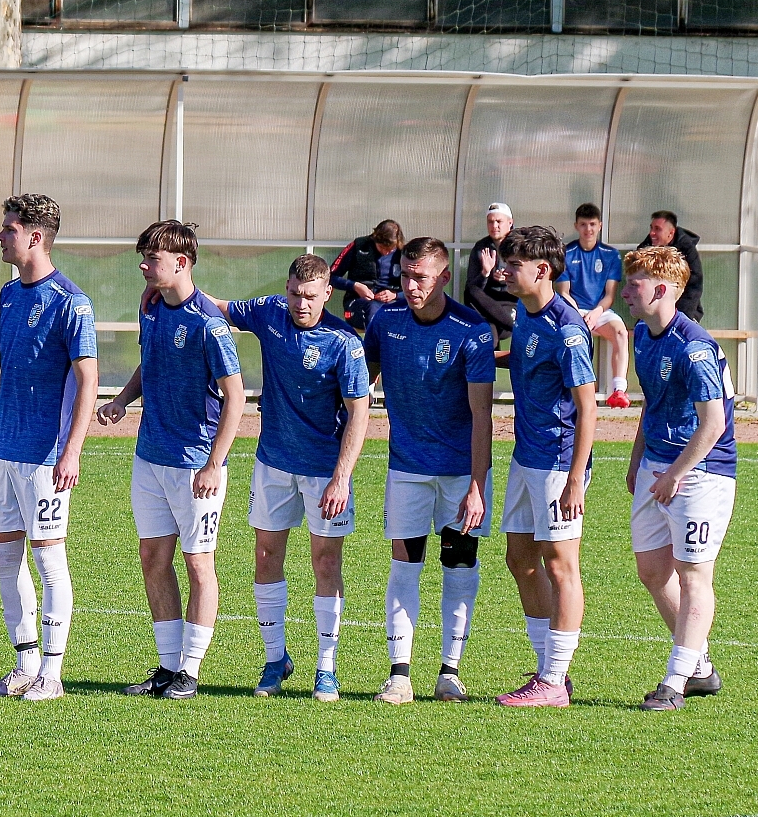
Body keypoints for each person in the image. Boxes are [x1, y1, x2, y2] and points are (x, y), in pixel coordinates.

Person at [202, 254, 371, 701]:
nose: (301, 303)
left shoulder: (344, 343)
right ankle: (275, 659)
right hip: (273, 462)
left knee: (326, 563)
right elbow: (218, 306)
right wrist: (167, 287)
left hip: (324, 471)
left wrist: (341, 477)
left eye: (310, 296)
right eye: (295, 293)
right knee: (265, 557)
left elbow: (359, 414)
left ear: (327, 294)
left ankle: (326, 668)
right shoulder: (270, 312)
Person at [97, 220, 245, 700]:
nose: (143, 267)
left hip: (195, 464)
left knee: (199, 563)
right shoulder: (153, 308)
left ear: (181, 263)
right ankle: (166, 666)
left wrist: (214, 463)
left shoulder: (209, 324)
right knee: (153, 558)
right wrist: (123, 400)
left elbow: (236, 397)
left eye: (152, 259)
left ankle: (190, 670)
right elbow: (152, 361)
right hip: (150, 458)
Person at [0, 194, 99, 702]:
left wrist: (72, 451)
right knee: (5, 558)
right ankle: (24, 665)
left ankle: (52, 673)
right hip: (1, 447)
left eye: (8, 229)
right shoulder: (8, 295)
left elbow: (88, 382)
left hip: (45, 455)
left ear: (34, 237)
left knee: (49, 560)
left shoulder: (72, 302)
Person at [363, 237, 495, 704]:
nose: (410, 285)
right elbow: (360, 384)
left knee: (459, 563)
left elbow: (483, 414)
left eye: (420, 277)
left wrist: (478, 486)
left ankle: (449, 673)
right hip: (407, 468)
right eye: (404, 275)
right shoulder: (386, 321)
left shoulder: (472, 330)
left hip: (460, 472)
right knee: (405, 564)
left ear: (443, 277)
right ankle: (399, 675)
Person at [620, 247, 736, 710]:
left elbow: (714, 424)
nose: (625, 293)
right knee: (652, 570)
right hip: (658, 466)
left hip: (701, 473)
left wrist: (675, 473)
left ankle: (674, 682)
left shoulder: (694, 347)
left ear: (662, 290)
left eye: (635, 285)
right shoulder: (643, 336)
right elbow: (654, 401)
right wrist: (637, 459)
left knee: (693, 575)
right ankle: (700, 668)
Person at [494, 225, 597, 708]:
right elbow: (521, 360)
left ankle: (554, 680)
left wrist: (575, 478)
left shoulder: (567, 330)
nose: (503, 272)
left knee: (560, 565)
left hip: (557, 462)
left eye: (512, 266)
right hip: (525, 456)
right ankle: (547, 670)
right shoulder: (525, 313)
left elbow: (588, 407)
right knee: (520, 560)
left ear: (542, 270)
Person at [559, 203, 631, 408]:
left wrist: (596, 312)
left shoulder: (610, 254)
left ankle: (619, 390)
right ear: (576, 226)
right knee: (571, 338)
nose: (588, 229)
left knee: (621, 332)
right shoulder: (566, 253)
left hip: (600, 310)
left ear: (599, 225)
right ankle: (574, 389)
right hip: (573, 309)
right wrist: (578, 315)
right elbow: (564, 293)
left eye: (592, 224)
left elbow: (610, 295)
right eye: (583, 224)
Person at [328, 219, 403, 332]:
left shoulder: (403, 253)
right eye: (381, 247)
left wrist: (395, 295)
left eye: (390, 250)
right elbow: (330, 277)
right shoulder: (358, 246)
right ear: (374, 239)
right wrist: (355, 286)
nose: (385, 252)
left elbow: (416, 287)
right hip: (357, 303)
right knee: (373, 308)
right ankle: (373, 342)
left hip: (392, 302)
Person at [465, 202, 518, 346]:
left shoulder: (519, 246)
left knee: (486, 327)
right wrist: (485, 273)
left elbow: (530, 279)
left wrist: (508, 278)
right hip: (486, 302)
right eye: (490, 222)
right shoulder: (481, 247)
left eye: (499, 221)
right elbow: (472, 288)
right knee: (471, 292)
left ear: (510, 223)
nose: (494, 226)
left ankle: (514, 327)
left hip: (511, 301)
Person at [638, 211, 704, 322]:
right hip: (653, 308)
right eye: (651, 228)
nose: (652, 233)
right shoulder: (645, 249)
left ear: (671, 233)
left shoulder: (687, 249)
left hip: (684, 308)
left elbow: (694, 285)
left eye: (657, 229)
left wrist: (682, 318)